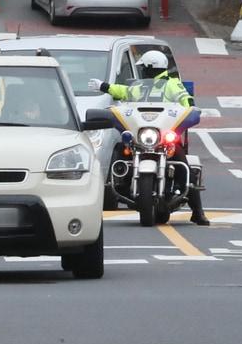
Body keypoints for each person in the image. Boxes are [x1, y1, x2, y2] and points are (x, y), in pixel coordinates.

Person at [90, 51, 210, 225]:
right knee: (119, 149)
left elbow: (185, 99)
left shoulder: (172, 85)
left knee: (184, 165)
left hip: (165, 138)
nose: (142, 71)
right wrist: (104, 86)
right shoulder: (141, 87)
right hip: (141, 138)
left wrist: (191, 109)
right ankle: (113, 186)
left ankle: (198, 212)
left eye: (144, 68)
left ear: (151, 68)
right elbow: (124, 92)